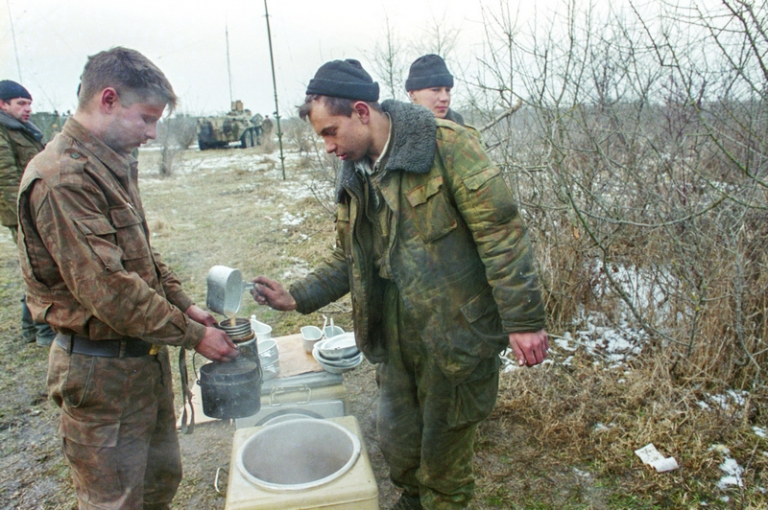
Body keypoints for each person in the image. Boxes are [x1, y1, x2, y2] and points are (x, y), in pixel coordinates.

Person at [251, 59, 548, 510]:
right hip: (392, 330)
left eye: (331, 132)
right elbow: (350, 257)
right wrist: (298, 295)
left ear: (362, 112)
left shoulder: (446, 146)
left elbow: (501, 235)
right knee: (399, 443)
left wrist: (523, 319)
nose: (328, 146)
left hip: (455, 329)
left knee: (445, 455)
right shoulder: (353, 172)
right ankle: (412, 498)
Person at [17, 47, 239, 510]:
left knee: (159, 482)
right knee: (114, 501)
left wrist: (183, 304)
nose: (153, 134)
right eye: (146, 119)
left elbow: (140, 254)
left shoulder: (108, 161)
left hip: (142, 358)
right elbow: (111, 290)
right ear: (109, 99)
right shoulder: (62, 178)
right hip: (100, 372)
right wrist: (195, 335)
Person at [0, 79, 56, 346]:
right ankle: (42, 330)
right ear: (3, 104)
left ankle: (33, 329)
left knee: (37, 268)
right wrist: (27, 217)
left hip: (35, 209)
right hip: (23, 214)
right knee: (39, 270)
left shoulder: (21, 130)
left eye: (29, 104)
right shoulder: (2, 132)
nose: (28, 109)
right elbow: (7, 180)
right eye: (21, 103)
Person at [405, 54, 482, 140]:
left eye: (447, 90)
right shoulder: (394, 134)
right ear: (412, 93)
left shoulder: (469, 136)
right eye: (435, 90)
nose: (444, 98)